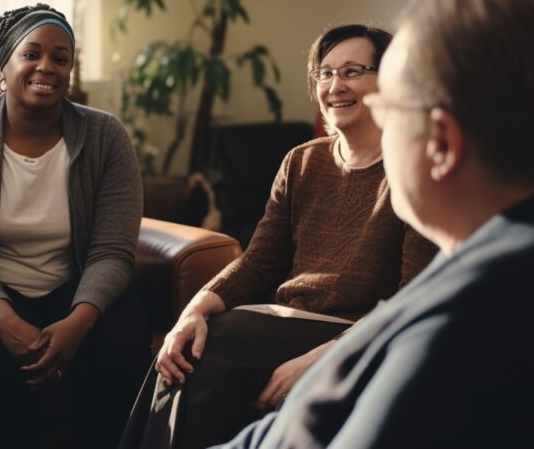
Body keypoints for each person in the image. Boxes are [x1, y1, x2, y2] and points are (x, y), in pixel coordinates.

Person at [216, 0, 534, 449]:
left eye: (389, 109)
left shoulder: (455, 323)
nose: (337, 88)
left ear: (442, 143)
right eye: (327, 72)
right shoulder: (476, 270)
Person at [120, 24, 439, 448]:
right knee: (187, 349)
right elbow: (258, 262)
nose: (335, 85)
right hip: (282, 321)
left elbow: (410, 300)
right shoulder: (302, 162)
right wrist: (192, 312)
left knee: (214, 349)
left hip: (354, 331)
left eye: (352, 71)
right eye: (325, 73)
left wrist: (319, 359)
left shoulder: (415, 171)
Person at [0, 3, 151, 448]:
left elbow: (113, 251)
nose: (46, 67)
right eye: (31, 54)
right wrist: (5, 320)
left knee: (123, 343)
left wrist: (79, 322)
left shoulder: (106, 136)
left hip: (71, 289)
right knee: (1, 360)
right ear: (4, 68)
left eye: (60, 58)